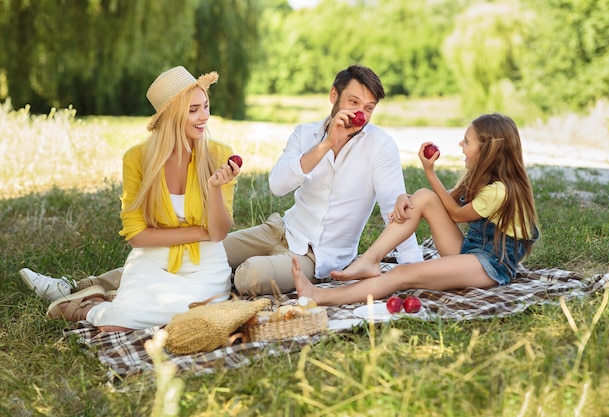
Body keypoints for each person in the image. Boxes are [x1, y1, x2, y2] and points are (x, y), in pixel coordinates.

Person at [21, 64, 423, 300]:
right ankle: (79, 286)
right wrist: (326, 145)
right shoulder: (305, 134)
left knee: (246, 276)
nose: (361, 114)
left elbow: (395, 208)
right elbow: (277, 185)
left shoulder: (380, 146)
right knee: (196, 250)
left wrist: (413, 273)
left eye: (369, 108)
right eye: (353, 103)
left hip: (319, 258)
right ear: (334, 96)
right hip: (279, 229)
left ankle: (154, 295)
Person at [40, 65, 240, 331]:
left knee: (195, 320)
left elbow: (218, 233)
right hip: (152, 260)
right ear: (170, 116)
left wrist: (214, 187)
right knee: (116, 324)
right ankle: (90, 309)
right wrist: (198, 232)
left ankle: (105, 302)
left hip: (205, 267)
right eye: (193, 110)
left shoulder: (219, 154)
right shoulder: (137, 159)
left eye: (205, 106)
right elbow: (138, 236)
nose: (204, 116)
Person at [292, 113, 539, 306]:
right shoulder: (482, 178)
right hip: (471, 252)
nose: (460, 144)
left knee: (403, 274)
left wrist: (429, 171)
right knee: (422, 197)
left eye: (467, 141)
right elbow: (437, 201)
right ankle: (370, 259)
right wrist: (405, 199)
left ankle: (321, 297)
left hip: (490, 265)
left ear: (488, 150)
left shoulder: (500, 191)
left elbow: (455, 214)